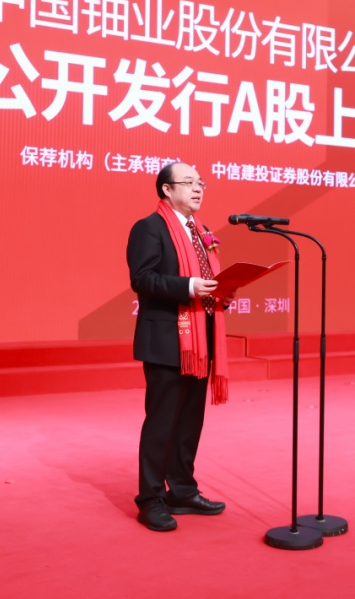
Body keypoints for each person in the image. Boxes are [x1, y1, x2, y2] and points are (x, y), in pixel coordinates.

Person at [127, 162, 233, 532]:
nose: (197, 188)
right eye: (187, 182)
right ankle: (150, 499)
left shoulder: (201, 231)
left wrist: (220, 292)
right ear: (167, 190)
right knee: (162, 423)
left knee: (189, 421)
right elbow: (142, 279)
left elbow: (206, 278)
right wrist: (188, 286)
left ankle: (183, 490)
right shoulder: (149, 228)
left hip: (201, 340)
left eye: (200, 182)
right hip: (167, 340)